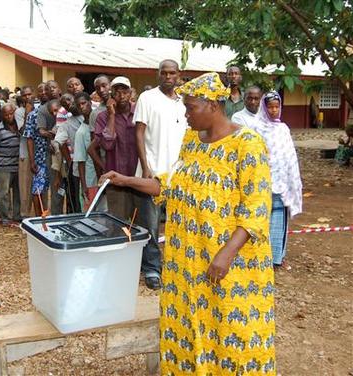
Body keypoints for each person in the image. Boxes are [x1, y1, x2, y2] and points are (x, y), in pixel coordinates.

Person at [101, 72, 276, 375]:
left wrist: (227, 253)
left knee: (231, 327)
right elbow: (171, 185)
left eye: (190, 107)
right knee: (191, 324)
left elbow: (256, 205)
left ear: (213, 106)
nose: (185, 115)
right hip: (188, 262)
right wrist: (126, 179)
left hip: (228, 262)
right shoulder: (192, 141)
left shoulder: (247, 145)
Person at [134, 59, 187, 290]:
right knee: (151, 225)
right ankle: (152, 269)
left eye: (172, 73)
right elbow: (139, 133)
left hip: (179, 175)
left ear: (179, 75)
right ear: (158, 75)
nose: (168, 77)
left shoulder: (184, 101)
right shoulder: (148, 98)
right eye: (163, 73)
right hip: (153, 172)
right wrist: (145, 166)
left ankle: (176, 266)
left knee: (178, 224)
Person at [251, 91, 302, 269]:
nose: (273, 110)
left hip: (282, 183)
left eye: (276, 106)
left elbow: (289, 156)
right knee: (263, 220)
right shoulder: (256, 128)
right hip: (264, 182)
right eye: (270, 107)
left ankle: (276, 258)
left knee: (279, 221)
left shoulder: (283, 129)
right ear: (264, 108)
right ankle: (261, 258)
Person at [89, 76, 139, 220]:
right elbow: (107, 144)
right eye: (117, 92)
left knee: (140, 226)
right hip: (117, 180)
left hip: (138, 176)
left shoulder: (139, 112)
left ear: (130, 93)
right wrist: (111, 115)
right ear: (112, 95)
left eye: (125, 92)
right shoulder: (103, 117)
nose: (121, 96)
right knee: (118, 224)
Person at [25, 98, 60, 216]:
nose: (55, 114)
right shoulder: (33, 115)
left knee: (58, 190)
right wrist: (32, 161)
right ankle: (39, 218)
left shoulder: (64, 115)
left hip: (59, 159)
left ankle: (57, 217)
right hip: (40, 158)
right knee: (37, 190)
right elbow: (29, 138)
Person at [0, 103, 21, 225]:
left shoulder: (20, 126)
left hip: (18, 165)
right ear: (2, 115)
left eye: (11, 114)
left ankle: (17, 215)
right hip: (4, 166)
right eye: (6, 114)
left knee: (18, 192)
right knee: (4, 192)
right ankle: (6, 217)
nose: (9, 117)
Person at [36, 80, 63, 214]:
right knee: (56, 185)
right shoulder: (42, 109)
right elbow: (40, 130)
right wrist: (52, 135)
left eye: (54, 87)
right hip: (52, 151)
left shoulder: (67, 103)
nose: (51, 90)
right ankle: (56, 215)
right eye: (48, 88)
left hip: (70, 150)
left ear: (59, 89)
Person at [73, 92, 98, 210]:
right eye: (79, 105)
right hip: (90, 181)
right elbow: (80, 161)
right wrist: (84, 186)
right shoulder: (81, 132)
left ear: (90, 102)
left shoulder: (100, 122)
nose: (82, 107)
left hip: (102, 179)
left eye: (84, 103)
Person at [15, 85, 35, 217]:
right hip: (25, 154)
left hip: (38, 153)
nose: (27, 97)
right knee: (25, 186)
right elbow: (22, 132)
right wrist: (28, 113)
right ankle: (25, 215)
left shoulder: (39, 109)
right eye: (25, 95)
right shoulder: (19, 112)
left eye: (29, 94)